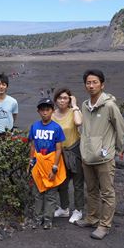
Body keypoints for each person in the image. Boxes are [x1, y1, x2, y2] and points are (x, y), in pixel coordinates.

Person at [78, 69, 124, 240]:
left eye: (95, 82)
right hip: (87, 156)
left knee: (107, 192)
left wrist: (117, 151)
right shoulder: (84, 105)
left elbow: (120, 130)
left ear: (102, 84)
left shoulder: (110, 106)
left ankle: (104, 225)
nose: (91, 85)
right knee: (90, 190)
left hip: (104, 158)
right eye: (88, 82)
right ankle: (91, 218)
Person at [28, 98, 66, 230]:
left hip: (51, 163)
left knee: (50, 193)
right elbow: (32, 146)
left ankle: (48, 219)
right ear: (38, 111)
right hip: (38, 163)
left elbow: (58, 149)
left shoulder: (56, 128)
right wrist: (30, 162)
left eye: (48, 109)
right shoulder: (35, 126)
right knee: (38, 193)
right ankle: (38, 218)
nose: (45, 112)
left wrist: (55, 167)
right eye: (42, 110)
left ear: (52, 111)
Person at [51, 88, 84, 224]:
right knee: (62, 182)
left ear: (69, 99)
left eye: (65, 98)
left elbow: (78, 123)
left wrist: (75, 106)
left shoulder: (74, 112)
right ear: (56, 100)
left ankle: (78, 210)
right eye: (60, 98)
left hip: (74, 150)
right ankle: (64, 208)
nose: (62, 100)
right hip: (59, 152)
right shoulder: (52, 114)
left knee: (77, 182)